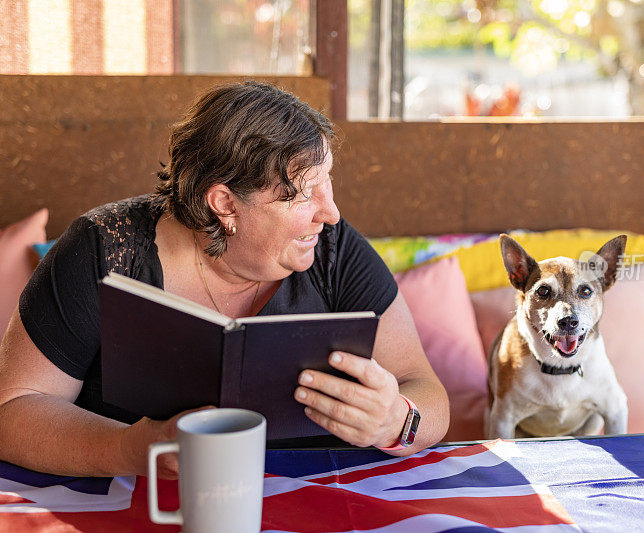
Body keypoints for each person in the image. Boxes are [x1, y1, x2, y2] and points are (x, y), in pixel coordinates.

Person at [0, 81, 449, 478]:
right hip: (132, 508)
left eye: (327, 181)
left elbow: (427, 393)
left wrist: (397, 421)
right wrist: (130, 450)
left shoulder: (334, 250)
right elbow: (13, 411)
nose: (330, 213)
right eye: (303, 194)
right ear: (224, 203)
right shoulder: (102, 251)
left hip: (312, 508)